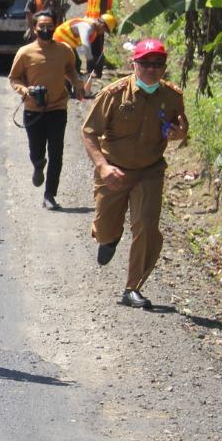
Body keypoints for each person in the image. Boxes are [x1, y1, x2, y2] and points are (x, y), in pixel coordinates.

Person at [82, 38, 188, 310]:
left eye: (158, 64)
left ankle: (132, 288)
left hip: (149, 171)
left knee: (147, 226)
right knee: (106, 229)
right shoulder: (113, 94)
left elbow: (179, 129)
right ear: (134, 64)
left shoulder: (172, 97)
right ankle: (109, 238)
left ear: (164, 67)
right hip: (114, 170)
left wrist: (180, 134)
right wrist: (103, 167)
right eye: (146, 64)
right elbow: (89, 132)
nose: (152, 70)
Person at [9, 10, 85, 210]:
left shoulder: (64, 49)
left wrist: (77, 83)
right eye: (41, 26)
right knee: (36, 151)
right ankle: (38, 164)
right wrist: (25, 91)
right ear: (34, 29)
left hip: (57, 108)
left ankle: (49, 195)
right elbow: (14, 78)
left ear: (55, 26)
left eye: (49, 26)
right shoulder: (25, 53)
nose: (45, 29)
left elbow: (70, 70)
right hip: (33, 110)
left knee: (57, 153)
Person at [65, 0, 114, 73]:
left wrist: (98, 27)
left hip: (98, 27)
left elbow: (103, 13)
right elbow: (78, 1)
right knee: (89, 47)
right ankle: (89, 70)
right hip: (89, 25)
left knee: (97, 50)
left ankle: (97, 71)